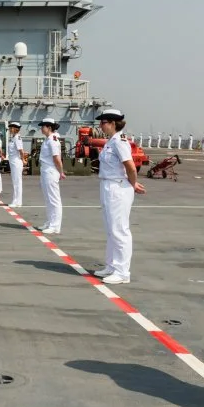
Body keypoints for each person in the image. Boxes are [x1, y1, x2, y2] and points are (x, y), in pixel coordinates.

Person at [92, 109, 145, 284]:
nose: (100, 126)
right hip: (108, 185)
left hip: (118, 187)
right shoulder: (111, 141)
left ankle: (123, 272)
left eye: (103, 122)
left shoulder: (120, 142)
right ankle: (111, 266)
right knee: (110, 229)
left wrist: (132, 183)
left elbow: (130, 166)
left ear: (113, 123)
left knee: (119, 230)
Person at [37, 118, 65, 233]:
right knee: (48, 199)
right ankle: (49, 222)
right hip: (45, 170)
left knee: (54, 199)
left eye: (43, 126)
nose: (41, 128)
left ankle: (55, 226)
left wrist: (61, 172)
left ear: (49, 127)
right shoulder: (48, 140)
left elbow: (57, 158)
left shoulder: (53, 140)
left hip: (51, 171)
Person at [6, 122, 26, 207]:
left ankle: (16, 201)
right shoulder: (13, 138)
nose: (10, 129)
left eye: (11, 128)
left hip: (16, 161)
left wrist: (23, 160)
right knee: (15, 182)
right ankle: (17, 201)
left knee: (17, 182)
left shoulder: (17, 138)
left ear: (15, 128)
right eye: (10, 128)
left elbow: (21, 150)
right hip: (13, 161)